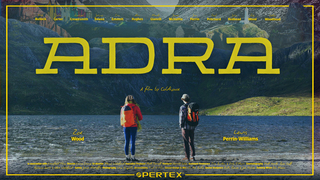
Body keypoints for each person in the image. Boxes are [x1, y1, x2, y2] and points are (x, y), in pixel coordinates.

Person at [120, 95, 143, 161]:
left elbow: (121, 118)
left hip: (125, 126)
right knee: (132, 142)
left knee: (126, 142)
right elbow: (141, 118)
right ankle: (133, 158)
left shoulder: (123, 107)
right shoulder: (135, 107)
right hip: (133, 126)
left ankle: (127, 157)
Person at [179, 94, 196, 161]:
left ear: (183, 100)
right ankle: (193, 156)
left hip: (185, 127)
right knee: (191, 141)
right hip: (192, 126)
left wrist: (181, 125)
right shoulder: (192, 107)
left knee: (186, 141)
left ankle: (187, 157)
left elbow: (181, 117)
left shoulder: (182, 107)